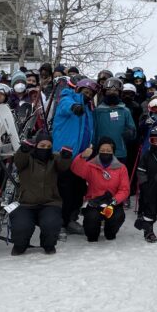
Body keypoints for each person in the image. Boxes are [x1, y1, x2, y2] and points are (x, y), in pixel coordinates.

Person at [10, 131, 70, 255]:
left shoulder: (54, 159)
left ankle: (48, 244)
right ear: (36, 145)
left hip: (49, 202)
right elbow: (18, 161)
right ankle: (20, 245)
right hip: (26, 203)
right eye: (42, 146)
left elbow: (63, 166)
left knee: (51, 224)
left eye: (48, 146)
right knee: (21, 226)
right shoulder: (27, 158)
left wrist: (66, 157)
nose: (45, 149)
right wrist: (23, 150)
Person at [52, 79, 95, 235]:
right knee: (65, 190)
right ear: (78, 89)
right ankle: (61, 222)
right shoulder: (68, 98)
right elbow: (65, 106)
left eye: (90, 93)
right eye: (86, 91)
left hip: (81, 157)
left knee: (79, 189)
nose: (88, 95)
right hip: (66, 154)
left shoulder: (89, 109)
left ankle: (71, 219)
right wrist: (74, 107)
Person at [72, 137, 130, 242]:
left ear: (113, 152)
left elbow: (124, 189)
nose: (105, 152)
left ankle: (110, 232)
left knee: (117, 217)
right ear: (98, 151)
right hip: (94, 201)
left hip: (112, 202)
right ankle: (93, 235)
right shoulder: (91, 165)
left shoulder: (121, 168)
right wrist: (82, 157)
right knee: (91, 222)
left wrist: (114, 200)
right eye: (102, 150)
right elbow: (76, 169)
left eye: (108, 150)